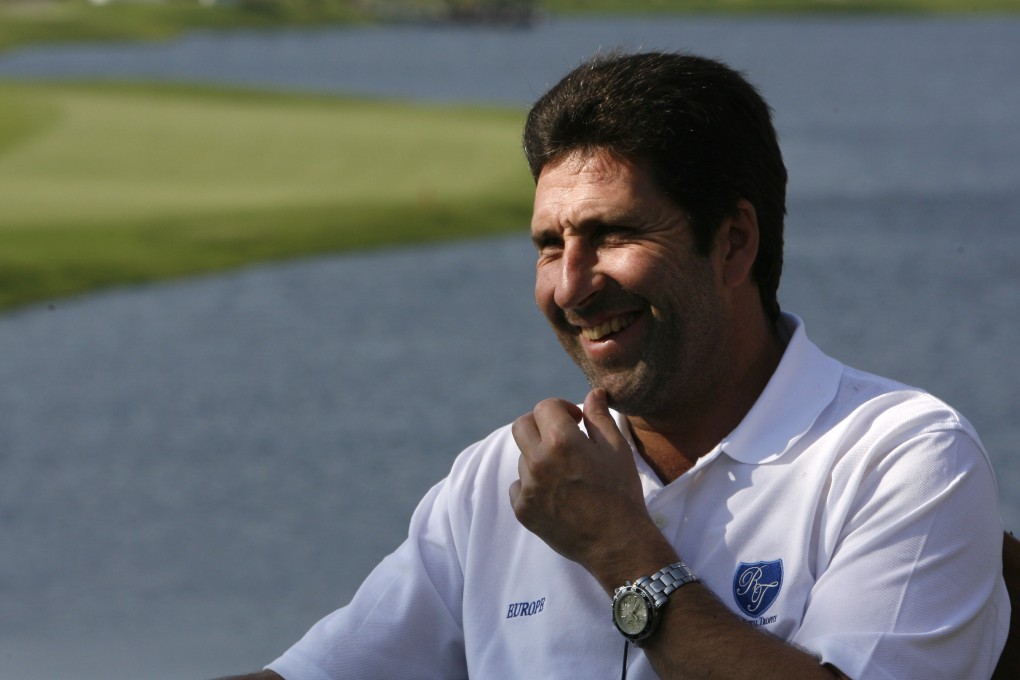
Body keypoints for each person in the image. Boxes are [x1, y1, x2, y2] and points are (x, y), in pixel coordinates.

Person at [220, 51, 1010, 680]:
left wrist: (622, 552)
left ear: (733, 242)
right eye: (548, 245)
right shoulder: (502, 476)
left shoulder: (905, 457)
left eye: (613, 235)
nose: (570, 286)